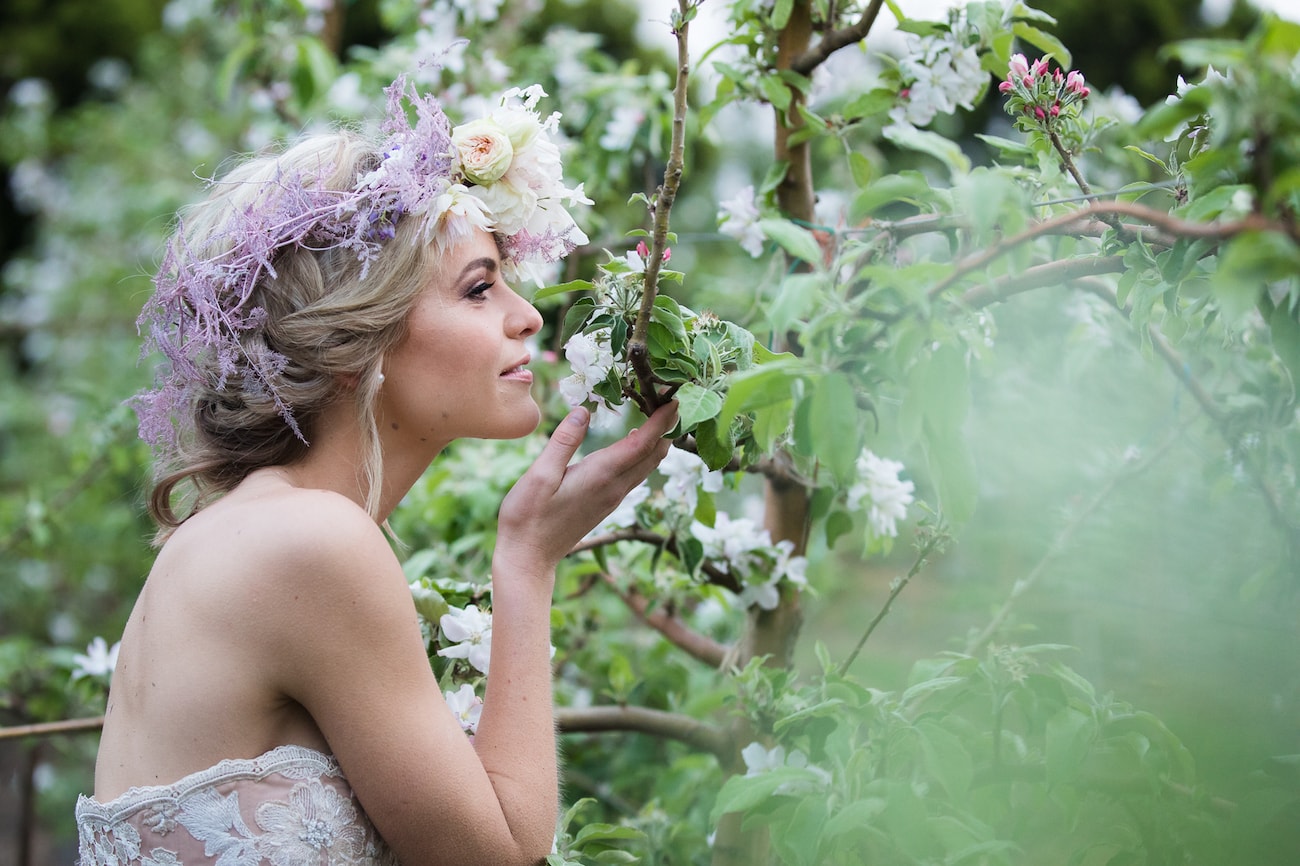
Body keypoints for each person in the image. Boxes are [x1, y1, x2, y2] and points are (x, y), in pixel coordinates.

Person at [74, 71, 677, 866]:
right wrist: (527, 561)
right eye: (478, 288)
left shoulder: (256, 525)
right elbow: (499, 854)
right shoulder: (310, 541)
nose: (528, 315)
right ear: (355, 346)